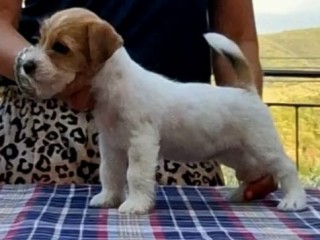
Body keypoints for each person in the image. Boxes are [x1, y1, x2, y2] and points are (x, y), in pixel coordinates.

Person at [0, 0, 277, 200]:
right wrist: (28, 69)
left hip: (176, 124)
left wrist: (246, 121)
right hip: (43, 131)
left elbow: (237, 35)